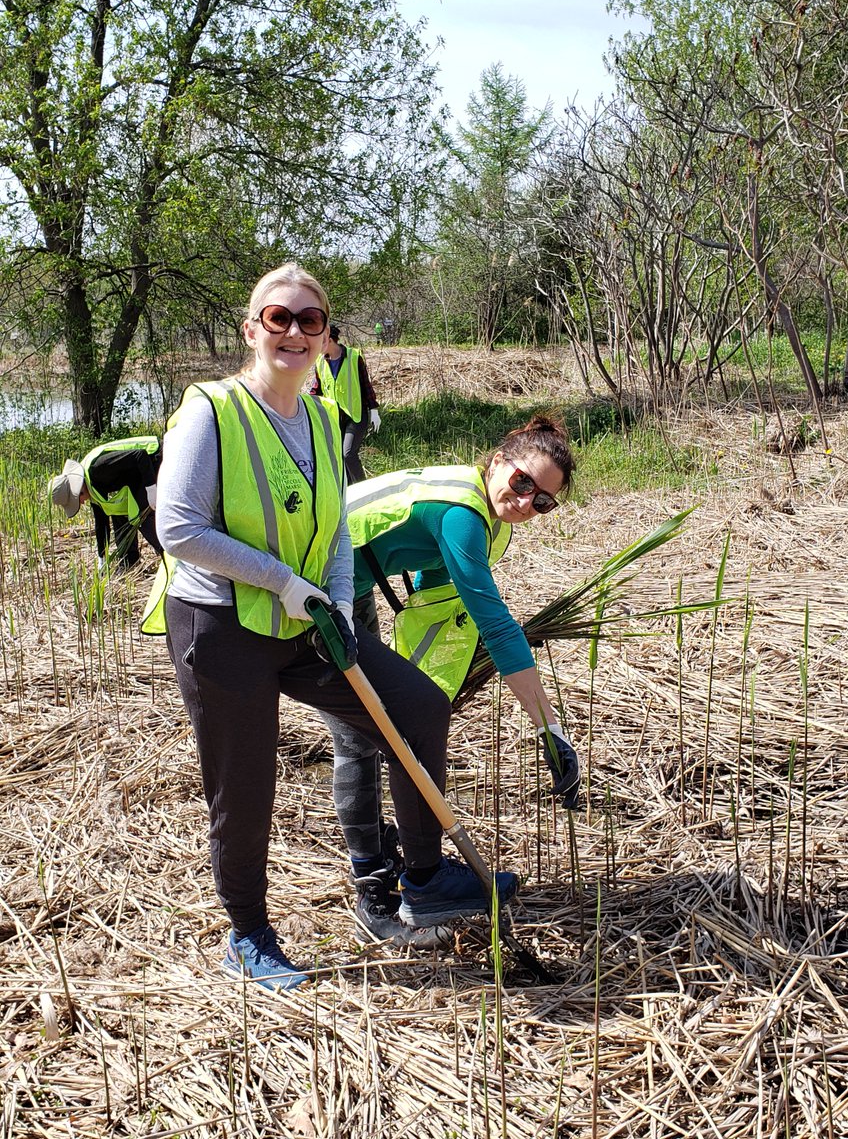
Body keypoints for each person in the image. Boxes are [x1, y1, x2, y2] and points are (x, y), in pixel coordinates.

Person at [142, 262, 516, 991]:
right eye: (278, 318)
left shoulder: (319, 414)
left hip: (307, 621)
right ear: (252, 329)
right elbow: (179, 527)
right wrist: (284, 583)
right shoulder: (210, 411)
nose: (293, 331)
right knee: (244, 786)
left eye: (309, 320)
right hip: (220, 627)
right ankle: (247, 932)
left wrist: (337, 605)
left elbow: (335, 528)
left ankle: (424, 878)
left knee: (415, 706)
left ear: (324, 336)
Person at [332, 415, 581, 948]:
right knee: (359, 737)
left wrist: (423, 688)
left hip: (351, 580)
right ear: (497, 462)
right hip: (311, 578)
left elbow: (428, 588)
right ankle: (373, 891)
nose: (526, 501)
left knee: (390, 725)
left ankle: (402, 863)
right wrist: (548, 728)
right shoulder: (464, 516)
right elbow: (496, 625)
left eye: (542, 501)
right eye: (522, 483)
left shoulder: (488, 520)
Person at [48, 437, 163, 570]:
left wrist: (151, 488)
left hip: (155, 458)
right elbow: (101, 523)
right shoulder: (92, 488)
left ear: (78, 490)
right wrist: (102, 557)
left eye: (76, 500)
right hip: (136, 476)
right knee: (119, 513)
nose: (82, 502)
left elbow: (140, 455)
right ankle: (129, 565)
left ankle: (173, 557)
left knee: (143, 517)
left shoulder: (97, 469)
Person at [308, 323, 381, 484]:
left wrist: (374, 409)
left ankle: (364, 488)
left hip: (355, 415)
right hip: (335, 418)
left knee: (348, 454)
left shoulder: (354, 357)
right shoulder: (320, 362)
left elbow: (365, 385)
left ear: (330, 340)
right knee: (339, 458)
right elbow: (316, 391)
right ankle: (348, 492)